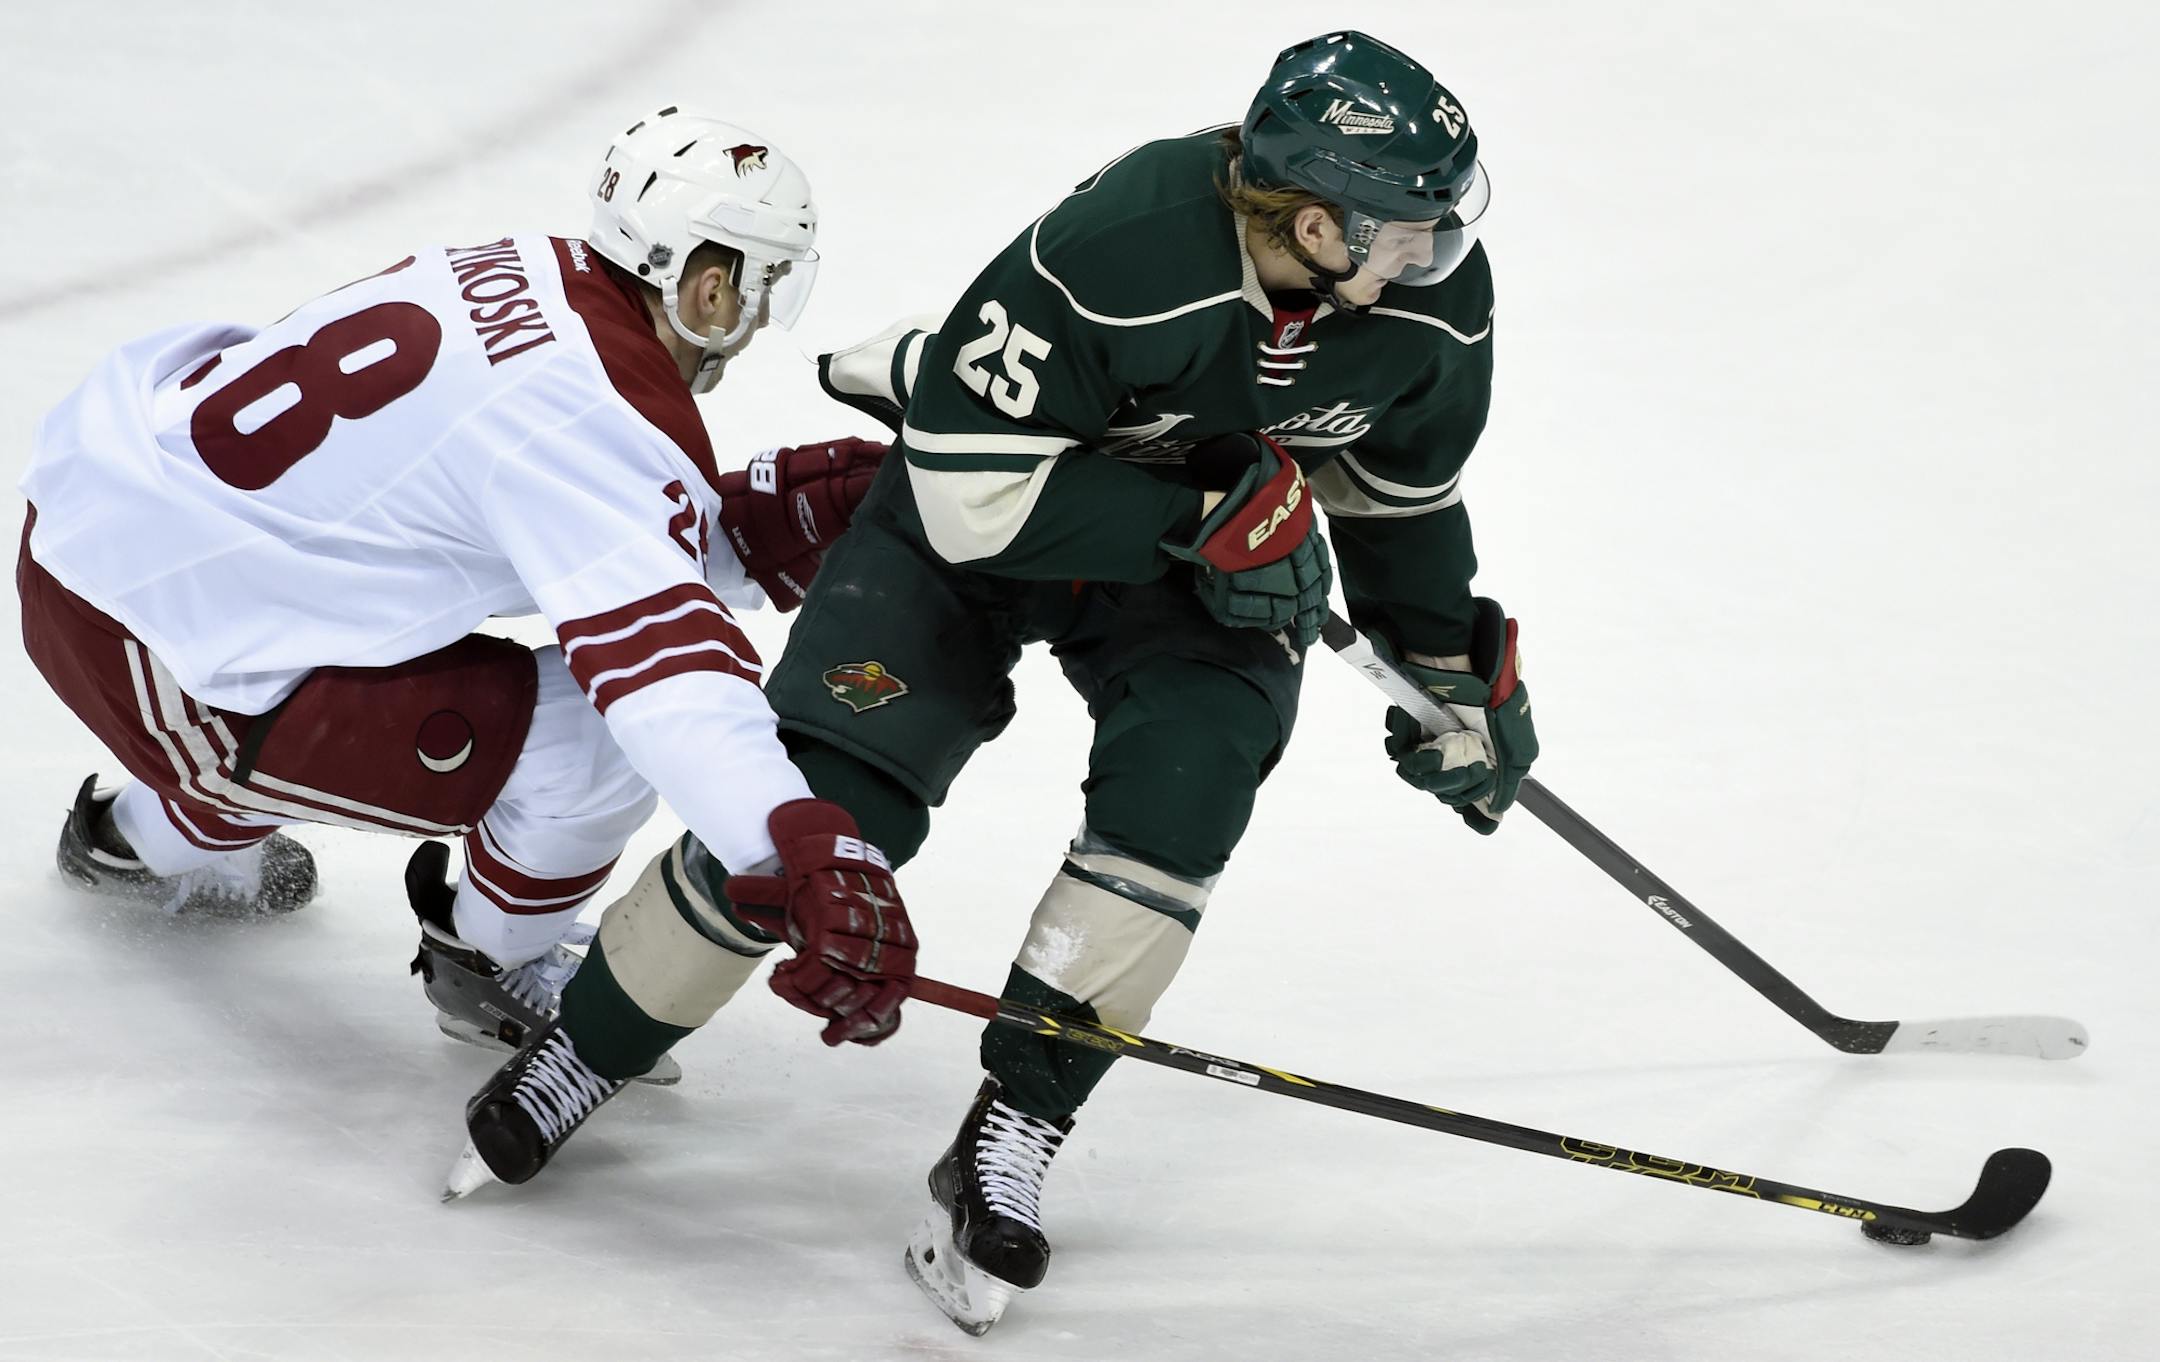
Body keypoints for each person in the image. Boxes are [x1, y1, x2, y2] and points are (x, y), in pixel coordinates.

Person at [460, 30, 1541, 1330]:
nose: (1434, 250)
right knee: (825, 793)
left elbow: (1399, 494)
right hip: (984, 529)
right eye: (1407, 224)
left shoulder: (1428, 306)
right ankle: (595, 1035)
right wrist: (1202, 514)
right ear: (1315, 224)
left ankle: (1012, 1129)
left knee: (1185, 796)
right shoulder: (1124, 250)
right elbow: (974, 502)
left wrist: (1445, 669)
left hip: (1202, 566)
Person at [16, 105, 921, 1156]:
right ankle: (490, 959)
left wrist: (764, 521)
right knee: (592, 739)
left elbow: (581, 522)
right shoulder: (597, 416)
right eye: (760, 287)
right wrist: (796, 847)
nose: (759, 318)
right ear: (708, 285)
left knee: (342, 632)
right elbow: (666, 676)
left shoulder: (525, 271)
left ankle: (133, 842)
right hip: (165, 653)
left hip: (102, 548)